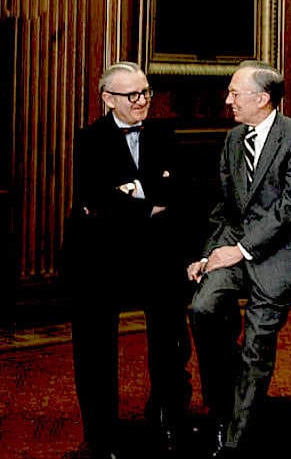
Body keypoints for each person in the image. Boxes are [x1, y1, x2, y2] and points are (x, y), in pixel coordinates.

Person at [185, 60, 291, 458]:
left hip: (284, 252)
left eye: (234, 93)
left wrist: (241, 250)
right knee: (203, 308)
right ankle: (226, 407)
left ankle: (234, 441)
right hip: (236, 247)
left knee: (257, 341)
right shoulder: (232, 139)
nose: (227, 100)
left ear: (262, 99)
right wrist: (209, 255)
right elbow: (226, 209)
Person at [64, 61, 192, 458]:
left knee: (171, 334)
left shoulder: (164, 133)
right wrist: (148, 202)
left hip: (154, 255)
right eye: (132, 95)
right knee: (95, 345)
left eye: (146, 93)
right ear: (107, 99)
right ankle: (100, 434)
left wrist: (133, 195)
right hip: (98, 257)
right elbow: (95, 201)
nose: (142, 102)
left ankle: (169, 416)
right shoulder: (89, 139)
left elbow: (181, 194)